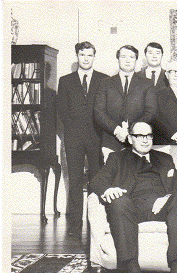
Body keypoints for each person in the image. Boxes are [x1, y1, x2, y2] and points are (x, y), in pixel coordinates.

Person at [90, 121, 177, 273]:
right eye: (140, 136)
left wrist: (166, 197)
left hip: (161, 208)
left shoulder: (165, 158)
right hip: (131, 208)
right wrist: (108, 190)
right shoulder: (117, 158)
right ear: (130, 138)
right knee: (118, 201)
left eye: (149, 136)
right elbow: (97, 181)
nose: (145, 140)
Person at [57, 41, 108, 237]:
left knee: (96, 179)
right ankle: (75, 224)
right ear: (77, 56)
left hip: (97, 136)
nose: (86, 59)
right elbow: (61, 109)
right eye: (82, 55)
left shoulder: (104, 79)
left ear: (94, 57)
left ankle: (95, 220)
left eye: (89, 55)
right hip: (74, 138)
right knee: (75, 179)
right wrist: (73, 128)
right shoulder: (65, 81)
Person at [94, 45, 157, 159]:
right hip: (111, 140)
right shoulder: (105, 83)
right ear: (117, 58)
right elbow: (99, 112)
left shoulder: (146, 83)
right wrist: (117, 130)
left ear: (136, 60)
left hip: (137, 141)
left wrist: (131, 131)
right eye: (123, 56)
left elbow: (151, 111)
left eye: (131, 57)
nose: (127, 60)